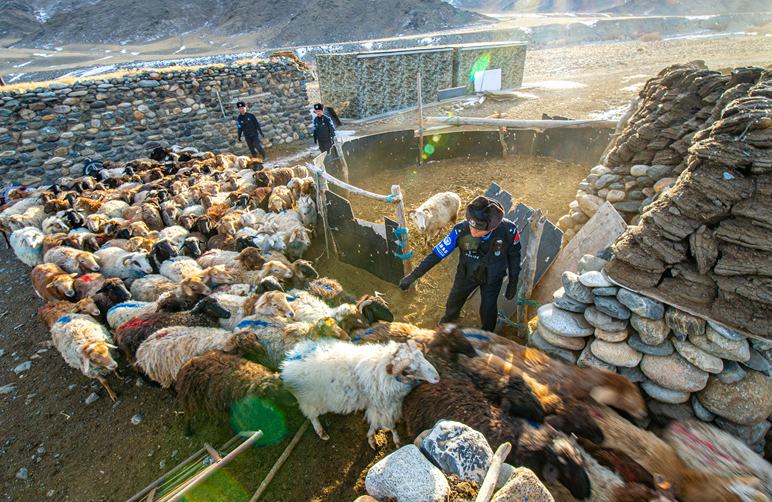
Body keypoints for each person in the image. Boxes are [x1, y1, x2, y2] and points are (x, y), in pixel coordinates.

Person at [399, 195, 521, 332]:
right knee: (454, 300)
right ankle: (449, 319)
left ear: (492, 228)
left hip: (493, 277)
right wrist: (413, 276)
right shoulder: (460, 230)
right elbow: (437, 254)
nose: (473, 231)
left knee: (488, 308)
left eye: (479, 229)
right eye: (471, 225)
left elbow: (514, 256)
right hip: (466, 273)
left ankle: (487, 333)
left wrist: (513, 281)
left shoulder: (509, 231)